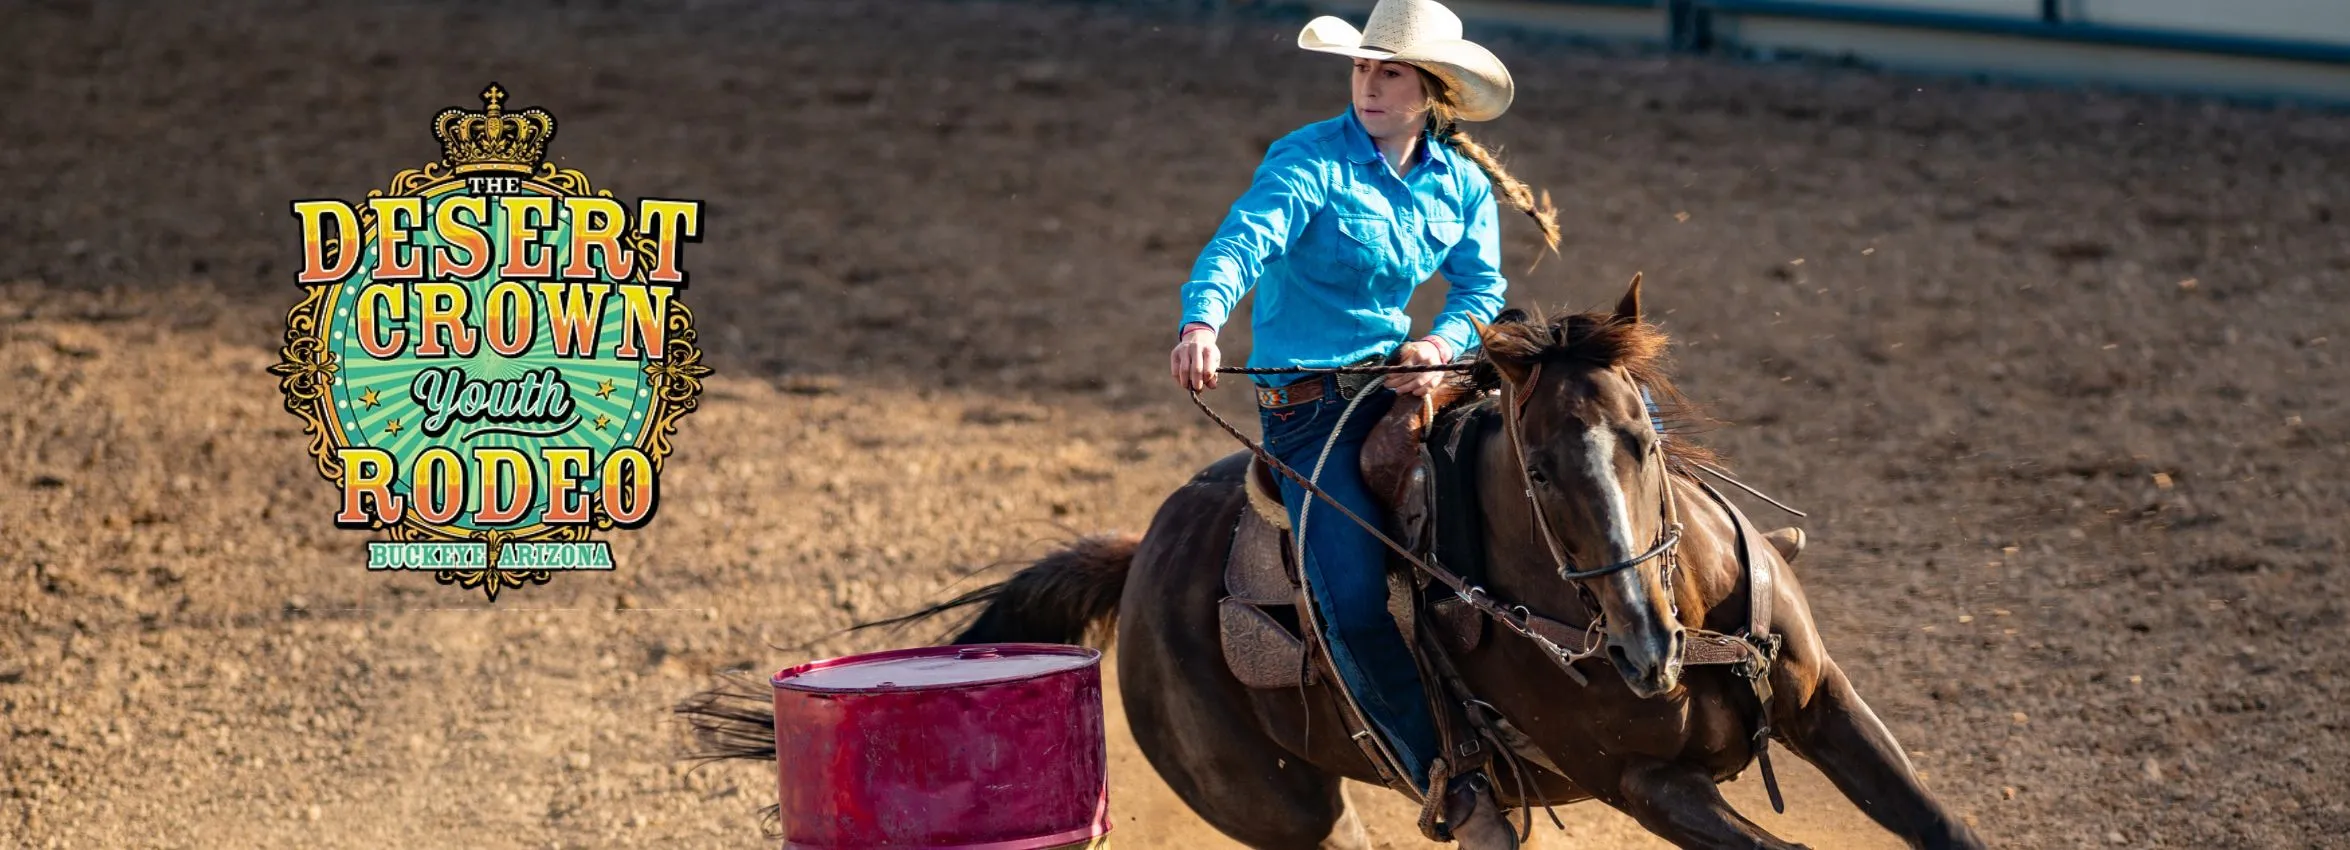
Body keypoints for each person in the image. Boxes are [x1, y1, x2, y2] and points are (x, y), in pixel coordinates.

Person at [1166, 0, 1559, 842]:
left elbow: (1480, 289)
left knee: (1562, 446)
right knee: (1348, 594)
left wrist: (1442, 345)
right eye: (1361, 69)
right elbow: (1243, 243)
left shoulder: (1460, 183)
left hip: (1406, 387)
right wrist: (1202, 321)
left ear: (1432, 90)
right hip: (1309, 414)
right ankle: (1448, 781)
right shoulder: (1307, 159)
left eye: (1390, 73)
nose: (1369, 86)